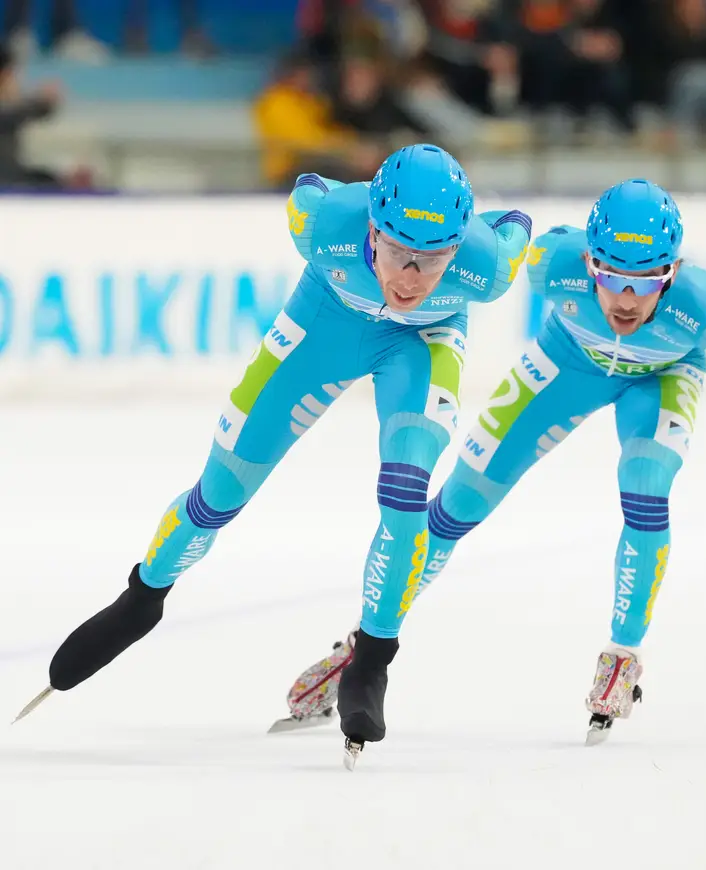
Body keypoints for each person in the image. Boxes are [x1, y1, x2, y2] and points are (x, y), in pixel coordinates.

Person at [15, 144, 533, 770]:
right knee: (221, 492)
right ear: (371, 229)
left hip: (421, 343)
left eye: (435, 261)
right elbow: (310, 183)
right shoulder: (323, 222)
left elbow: (514, 228)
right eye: (398, 253)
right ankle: (141, 597)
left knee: (405, 492)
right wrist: (142, 597)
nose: (411, 278)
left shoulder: (486, 266)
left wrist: (489, 234)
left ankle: (371, 660)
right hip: (323, 325)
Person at [281, 178, 706, 745]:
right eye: (610, 276)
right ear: (587, 262)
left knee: (645, 483)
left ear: (673, 273)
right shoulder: (550, 263)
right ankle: (366, 643)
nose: (626, 300)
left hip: (663, 377)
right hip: (567, 365)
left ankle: (622, 654)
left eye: (646, 282)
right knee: (456, 506)